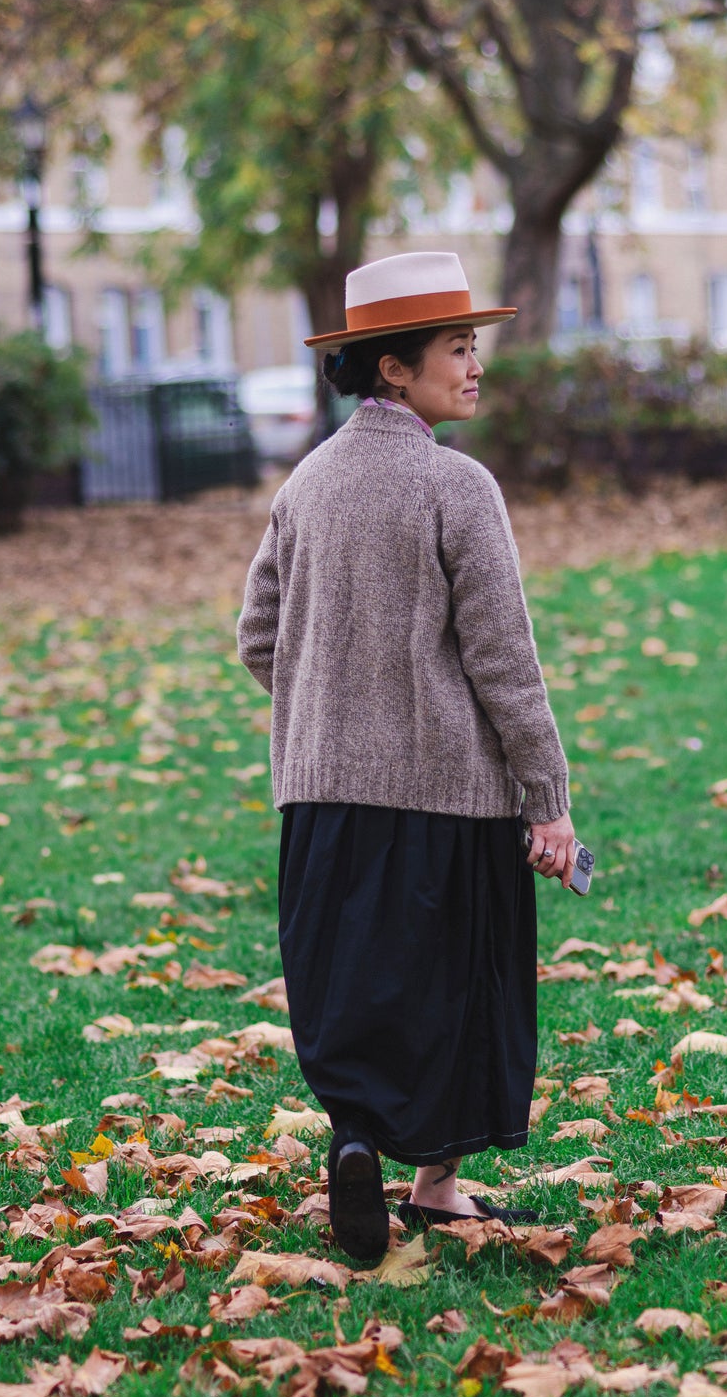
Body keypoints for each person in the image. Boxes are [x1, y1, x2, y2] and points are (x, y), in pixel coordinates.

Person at [237, 250, 575, 1261]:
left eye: (474, 347)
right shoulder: (453, 484)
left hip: (320, 799)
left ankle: (352, 1139)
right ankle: (436, 1185)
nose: (474, 367)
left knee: (352, 984)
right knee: (454, 988)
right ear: (393, 367)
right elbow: (502, 659)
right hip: (447, 799)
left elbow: (258, 636)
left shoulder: (304, 485)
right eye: (455, 349)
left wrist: (327, 713)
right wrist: (543, 796)